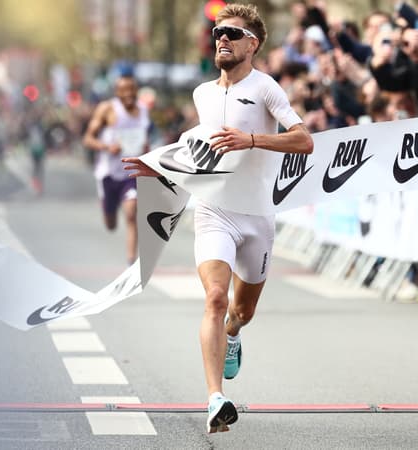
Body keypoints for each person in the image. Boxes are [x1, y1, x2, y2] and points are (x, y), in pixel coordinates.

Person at [123, 3, 313, 433]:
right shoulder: (202, 93)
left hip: (258, 218)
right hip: (214, 212)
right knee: (214, 297)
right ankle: (215, 400)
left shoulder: (267, 89)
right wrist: (160, 163)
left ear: (253, 43)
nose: (221, 39)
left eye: (231, 33)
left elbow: (304, 141)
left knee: (241, 312)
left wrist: (251, 139)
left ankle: (232, 333)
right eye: (217, 32)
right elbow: (198, 142)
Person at [83, 73, 150, 264]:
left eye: (132, 90)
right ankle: (107, 206)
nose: (128, 94)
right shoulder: (107, 109)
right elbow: (87, 139)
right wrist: (106, 147)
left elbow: (143, 140)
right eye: (124, 90)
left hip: (131, 172)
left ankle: (131, 260)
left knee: (131, 212)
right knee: (111, 224)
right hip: (108, 173)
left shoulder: (144, 110)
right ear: (117, 93)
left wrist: (145, 149)